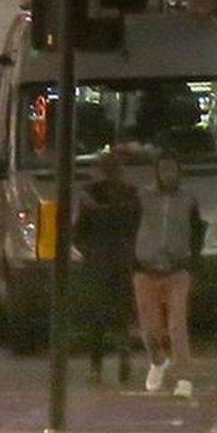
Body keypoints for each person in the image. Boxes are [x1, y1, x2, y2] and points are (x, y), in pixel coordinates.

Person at [135, 151, 204, 398]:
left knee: (177, 324)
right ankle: (157, 360)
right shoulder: (143, 197)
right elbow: (132, 226)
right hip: (146, 267)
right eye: (163, 169)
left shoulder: (188, 200)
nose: (168, 175)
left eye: (172, 169)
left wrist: (193, 264)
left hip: (177, 267)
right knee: (149, 326)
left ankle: (184, 376)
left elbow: (197, 232)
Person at [75, 152, 141, 385]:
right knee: (118, 314)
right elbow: (136, 228)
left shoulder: (92, 197)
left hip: (101, 261)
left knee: (100, 316)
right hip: (119, 260)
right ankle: (121, 359)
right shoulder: (130, 195)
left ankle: (99, 365)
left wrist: (89, 251)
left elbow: (78, 233)